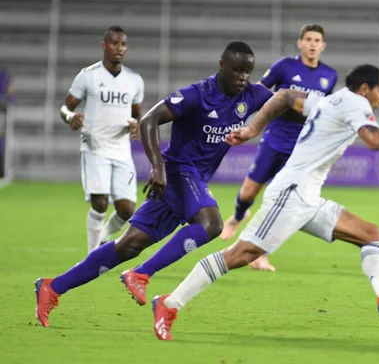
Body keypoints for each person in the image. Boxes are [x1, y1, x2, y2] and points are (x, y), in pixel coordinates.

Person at [151, 64, 379, 341]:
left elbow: (285, 96)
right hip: (291, 194)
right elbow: (374, 140)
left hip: (307, 197)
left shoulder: (331, 101)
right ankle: (169, 302)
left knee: (371, 234)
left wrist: (254, 129)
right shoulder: (357, 104)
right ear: (365, 88)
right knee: (241, 254)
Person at [34, 41, 274, 327]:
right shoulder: (196, 95)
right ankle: (142, 273)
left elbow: (282, 100)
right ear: (222, 65)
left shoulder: (250, 95)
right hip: (176, 171)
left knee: (128, 245)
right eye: (237, 70)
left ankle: (52, 287)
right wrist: (157, 166)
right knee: (212, 225)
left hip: (187, 183)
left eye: (248, 72)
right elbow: (149, 120)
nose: (243, 78)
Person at [220, 24, 337, 272]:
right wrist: (244, 118)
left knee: (278, 201)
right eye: (309, 39)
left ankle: (259, 254)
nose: (313, 44)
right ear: (300, 43)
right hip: (274, 138)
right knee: (248, 192)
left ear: (323, 45)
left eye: (317, 40)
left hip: (302, 148)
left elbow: (326, 111)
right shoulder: (285, 66)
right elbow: (259, 90)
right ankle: (239, 216)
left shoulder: (330, 76)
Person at [59, 25, 144, 253]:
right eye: (115, 43)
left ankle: (103, 239)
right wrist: (70, 117)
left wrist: (137, 125)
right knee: (100, 203)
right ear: (104, 46)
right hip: (95, 146)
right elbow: (66, 108)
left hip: (121, 149)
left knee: (127, 210)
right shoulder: (88, 76)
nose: (119, 48)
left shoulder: (134, 80)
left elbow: (137, 113)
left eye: (123, 44)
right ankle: (91, 257)